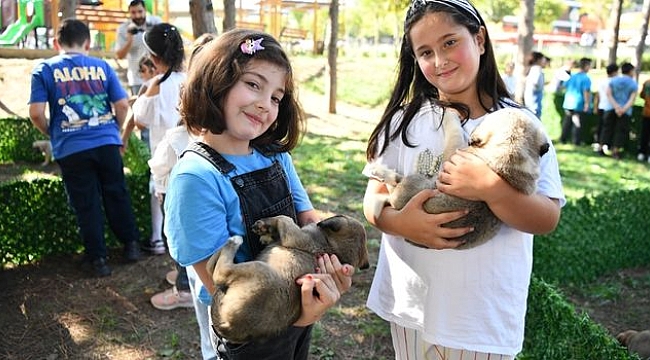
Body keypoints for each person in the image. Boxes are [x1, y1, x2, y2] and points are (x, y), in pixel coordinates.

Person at [361, 1, 565, 359]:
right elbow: (373, 201)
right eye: (425, 52)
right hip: (412, 304)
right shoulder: (404, 123)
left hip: (481, 320)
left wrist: (491, 188)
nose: (439, 60)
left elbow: (546, 217)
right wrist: (401, 222)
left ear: (480, 40)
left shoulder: (520, 125)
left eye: (450, 42)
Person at [164, 29, 355, 360]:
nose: (265, 104)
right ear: (217, 80)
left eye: (276, 97)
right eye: (253, 84)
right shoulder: (196, 178)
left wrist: (332, 265)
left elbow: (310, 222)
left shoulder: (277, 158)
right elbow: (223, 291)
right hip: (249, 332)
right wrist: (302, 315)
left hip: (297, 308)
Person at [28, 19, 142, 277]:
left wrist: (53, 132)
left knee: (85, 202)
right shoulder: (102, 66)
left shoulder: (44, 69)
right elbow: (123, 105)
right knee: (117, 193)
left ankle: (98, 259)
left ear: (57, 43)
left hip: (71, 147)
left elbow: (36, 113)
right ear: (88, 43)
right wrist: (113, 130)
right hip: (106, 143)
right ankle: (131, 245)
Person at [148, 32, 216, 311]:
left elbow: (159, 167)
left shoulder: (178, 136)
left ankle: (187, 288)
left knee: (184, 245)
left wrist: (162, 191)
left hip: (183, 206)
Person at [131, 23, 186, 256]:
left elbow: (139, 120)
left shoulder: (156, 85)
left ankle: (182, 285)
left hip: (165, 163)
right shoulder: (189, 79)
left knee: (173, 225)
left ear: (153, 57)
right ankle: (186, 280)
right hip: (193, 157)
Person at [114, 0, 162, 96]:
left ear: (145, 10)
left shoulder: (156, 23)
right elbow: (119, 55)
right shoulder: (124, 29)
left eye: (140, 12)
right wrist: (129, 40)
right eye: (133, 12)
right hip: (137, 78)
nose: (137, 16)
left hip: (158, 75)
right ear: (129, 13)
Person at [601, 62, 638, 160]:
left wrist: (616, 106)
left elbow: (608, 94)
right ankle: (616, 150)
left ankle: (602, 147)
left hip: (611, 107)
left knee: (607, 128)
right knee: (620, 130)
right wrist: (623, 108)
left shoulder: (614, 80)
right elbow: (632, 98)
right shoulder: (633, 83)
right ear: (630, 71)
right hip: (625, 110)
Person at [560, 57, 592, 146]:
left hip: (568, 102)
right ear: (586, 66)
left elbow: (563, 87)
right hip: (578, 103)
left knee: (567, 122)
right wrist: (587, 103)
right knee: (577, 123)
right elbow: (586, 91)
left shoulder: (572, 76)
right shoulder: (586, 78)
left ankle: (563, 138)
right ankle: (576, 141)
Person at [592, 63, 619, 154]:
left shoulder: (602, 81)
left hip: (601, 106)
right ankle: (602, 147)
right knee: (607, 129)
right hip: (610, 107)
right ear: (615, 72)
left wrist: (596, 106)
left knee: (601, 127)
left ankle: (598, 144)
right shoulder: (615, 82)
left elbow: (597, 95)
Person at [523, 51, 547, 118]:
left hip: (531, 102)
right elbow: (535, 83)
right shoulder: (537, 70)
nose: (545, 61)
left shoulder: (532, 69)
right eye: (543, 59)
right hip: (534, 103)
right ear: (539, 60)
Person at [638, 75, 650, 162]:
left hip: (646, 112)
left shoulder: (647, 82)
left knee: (644, 134)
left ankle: (642, 153)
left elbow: (642, 95)